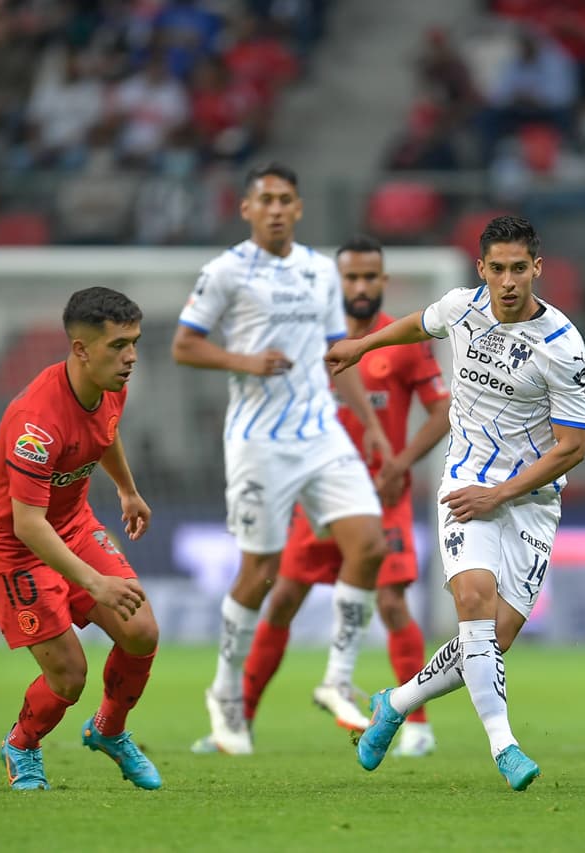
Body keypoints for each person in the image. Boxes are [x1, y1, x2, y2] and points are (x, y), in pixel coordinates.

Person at [325, 214, 585, 791]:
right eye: (497, 269)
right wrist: (363, 345)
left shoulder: (562, 345)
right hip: (466, 481)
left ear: (537, 268)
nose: (508, 281)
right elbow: (417, 325)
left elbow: (572, 448)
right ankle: (505, 746)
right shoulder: (461, 308)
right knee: (473, 600)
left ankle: (395, 702)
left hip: (531, 500)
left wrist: (502, 493)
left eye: (518, 268)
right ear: (482, 269)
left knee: (494, 640)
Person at [172, 163, 390, 755]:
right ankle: (225, 692)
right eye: (264, 199)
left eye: (284, 199)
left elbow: (335, 353)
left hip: (321, 432)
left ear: (298, 208)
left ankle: (337, 680)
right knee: (260, 572)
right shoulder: (225, 271)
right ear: (247, 208)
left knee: (370, 545)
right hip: (259, 440)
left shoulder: (320, 270)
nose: (274, 208)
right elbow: (184, 345)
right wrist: (245, 362)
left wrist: (371, 427)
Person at [242, 235, 452, 757]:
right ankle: (236, 720)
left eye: (369, 277)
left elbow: (442, 411)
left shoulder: (402, 341)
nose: (360, 286)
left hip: (382, 497)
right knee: (282, 599)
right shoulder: (310, 339)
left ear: (384, 281)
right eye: (351, 277)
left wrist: (401, 463)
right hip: (318, 499)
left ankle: (418, 725)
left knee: (392, 604)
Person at [0, 287, 161, 791]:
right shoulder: (35, 422)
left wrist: (127, 489)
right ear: (81, 349)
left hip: (74, 525)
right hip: (16, 549)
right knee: (69, 677)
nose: (131, 357)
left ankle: (109, 730)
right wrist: (95, 582)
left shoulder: (110, 384)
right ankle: (22, 744)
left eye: (134, 342)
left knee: (141, 631)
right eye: (118, 345)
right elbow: (28, 524)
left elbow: (105, 430)